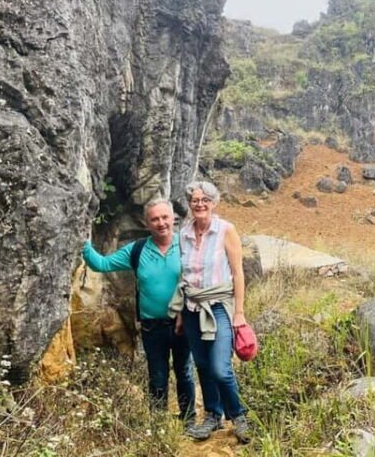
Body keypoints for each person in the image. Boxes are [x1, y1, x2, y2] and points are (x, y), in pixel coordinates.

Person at [81, 198, 195, 425]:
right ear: (146, 222)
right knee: (157, 375)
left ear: (174, 218)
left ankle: (188, 419)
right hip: (152, 325)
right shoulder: (138, 249)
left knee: (184, 372)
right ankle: (158, 423)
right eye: (155, 219)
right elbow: (101, 265)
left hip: (183, 322)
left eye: (165, 217)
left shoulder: (187, 245)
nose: (161, 223)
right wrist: (80, 241)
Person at [171, 180, 250, 443]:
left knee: (219, 368)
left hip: (219, 307)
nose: (200, 204)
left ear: (214, 203)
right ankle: (213, 416)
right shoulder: (183, 234)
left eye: (205, 199)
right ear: (190, 204)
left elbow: (238, 273)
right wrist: (181, 313)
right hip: (192, 307)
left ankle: (238, 416)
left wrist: (239, 313)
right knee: (202, 366)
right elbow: (183, 276)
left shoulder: (226, 230)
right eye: (195, 200)